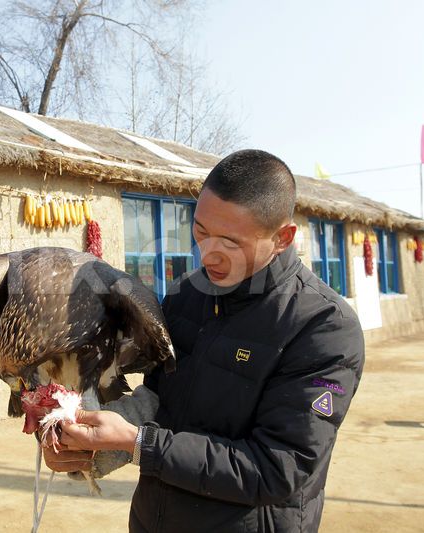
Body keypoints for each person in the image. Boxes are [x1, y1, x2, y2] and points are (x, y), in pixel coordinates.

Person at [44, 149, 366, 532]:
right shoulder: (185, 296)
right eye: (200, 231)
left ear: (283, 238)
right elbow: (159, 401)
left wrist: (138, 444)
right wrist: (89, 450)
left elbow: (276, 468)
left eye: (230, 241)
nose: (208, 253)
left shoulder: (322, 326)